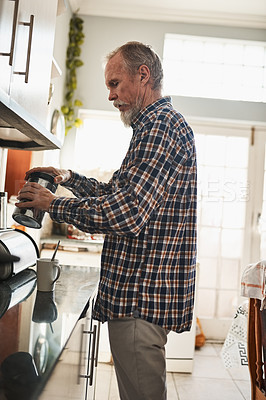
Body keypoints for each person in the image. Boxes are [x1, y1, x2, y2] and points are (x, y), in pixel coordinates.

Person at [16, 41, 197, 400]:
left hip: (139, 299)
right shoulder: (153, 128)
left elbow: (127, 213)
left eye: (115, 84)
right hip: (139, 299)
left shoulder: (160, 128)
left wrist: (52, 203)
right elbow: (116, 193)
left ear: (142, 75)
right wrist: (69, 178)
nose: (111, 96)